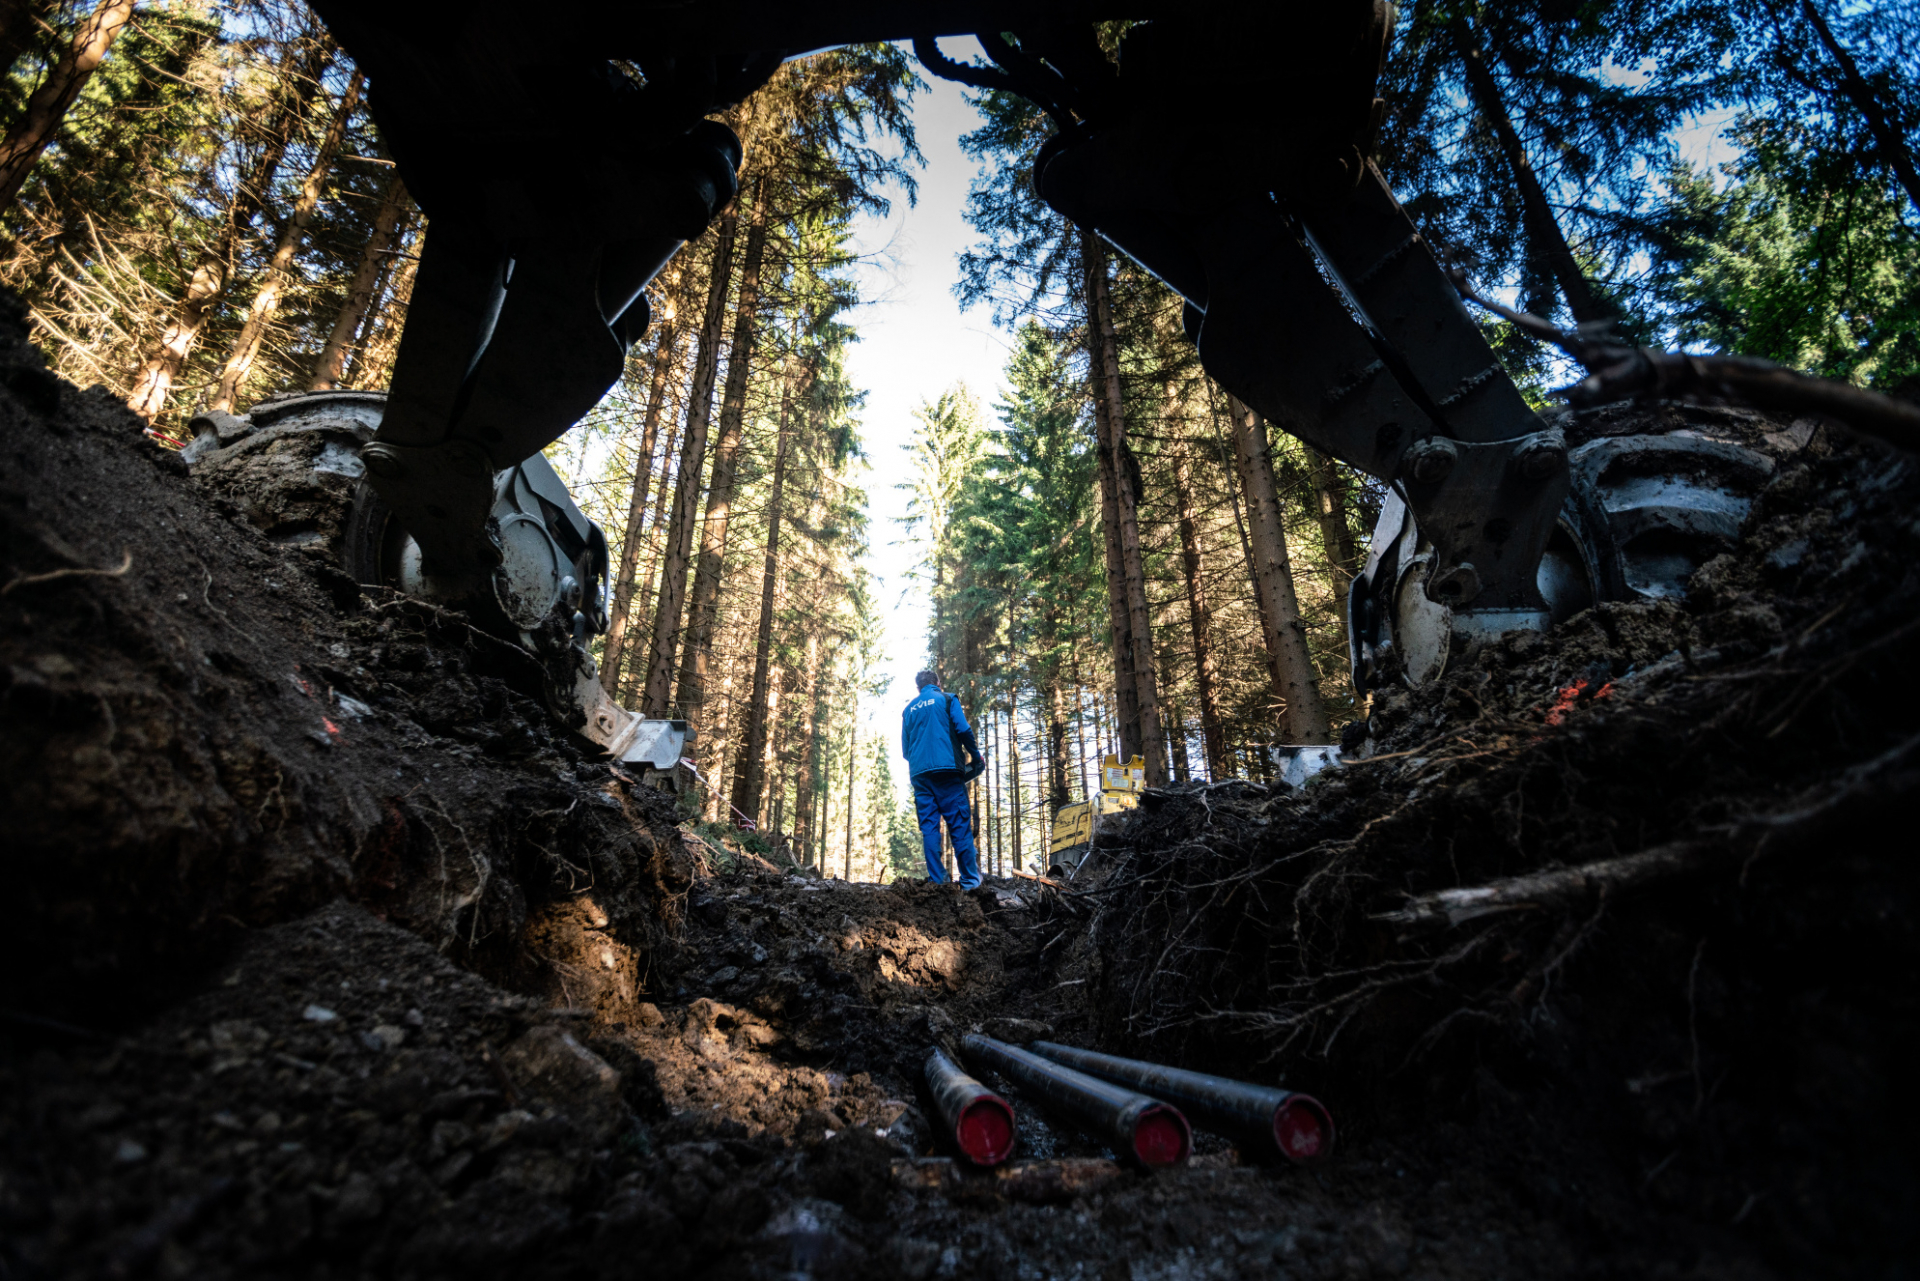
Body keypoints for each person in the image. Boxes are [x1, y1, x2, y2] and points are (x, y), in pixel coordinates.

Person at [901, 669, 986, 889]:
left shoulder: (908, 710)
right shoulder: (947, 699)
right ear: (938, 683)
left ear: (918, 688)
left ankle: (938, 881)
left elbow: (906, 751)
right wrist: (976, 757)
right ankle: (969, 882)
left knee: (929, 827)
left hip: (920, 776)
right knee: (959, 823)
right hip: (948, 772)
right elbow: (963, 730)